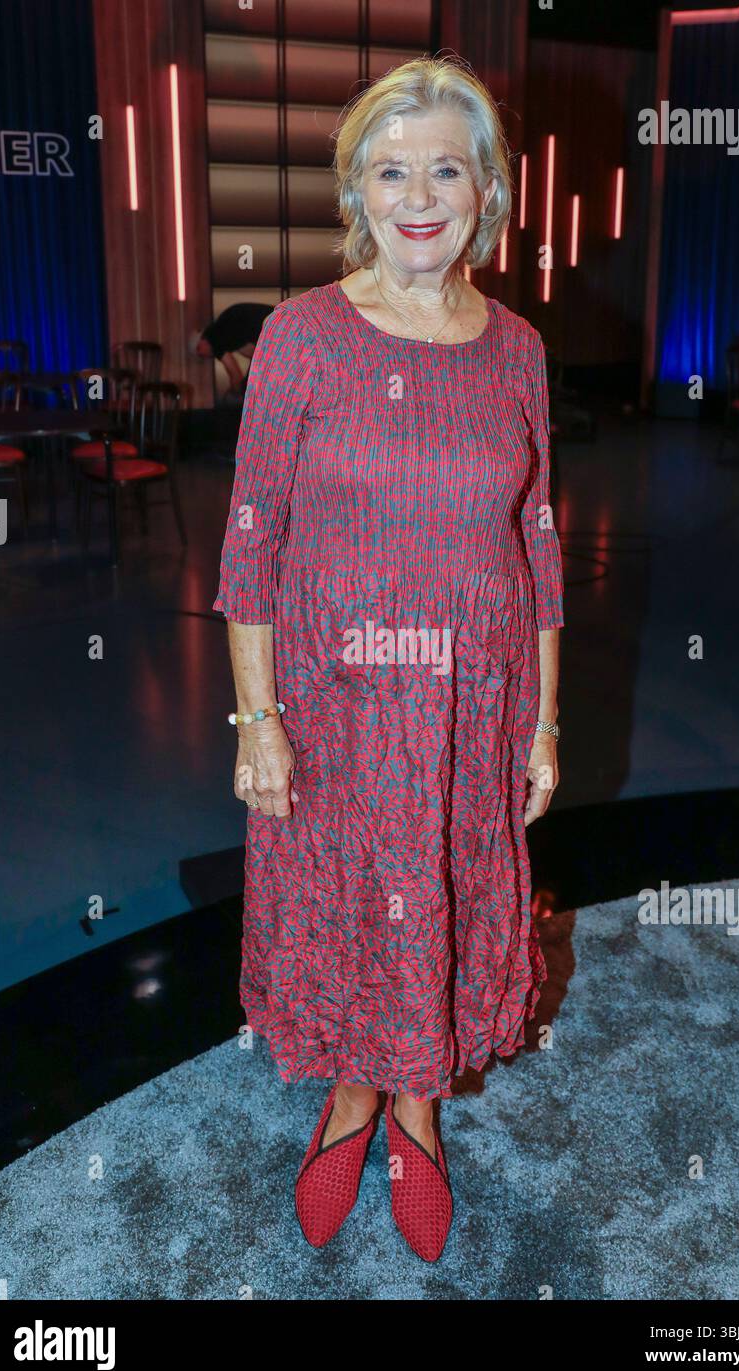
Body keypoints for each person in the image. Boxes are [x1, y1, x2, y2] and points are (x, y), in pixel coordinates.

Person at [213, 56, 564, 1263]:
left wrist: (542, 722)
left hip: (475, 700)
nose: (419, 193)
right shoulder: (301, 338)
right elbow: (249, 536)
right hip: (334, 698)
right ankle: (353, 1095)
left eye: (444, 168)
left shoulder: (515, 347)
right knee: (349, 899)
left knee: (444, 899)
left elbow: (539, 542)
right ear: (356, 191)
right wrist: (255, 719)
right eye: (390, 169)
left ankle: (410, 1100)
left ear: (486, 190)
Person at [192, 302, 273, 397]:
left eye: (201, 355)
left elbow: (235, 374)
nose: (207, 357)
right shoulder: (224, 331)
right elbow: (254, 353)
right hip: (278, 319)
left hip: (271, 328)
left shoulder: (214, 339)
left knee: (247, 389)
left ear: (200, 345)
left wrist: (237, 390)